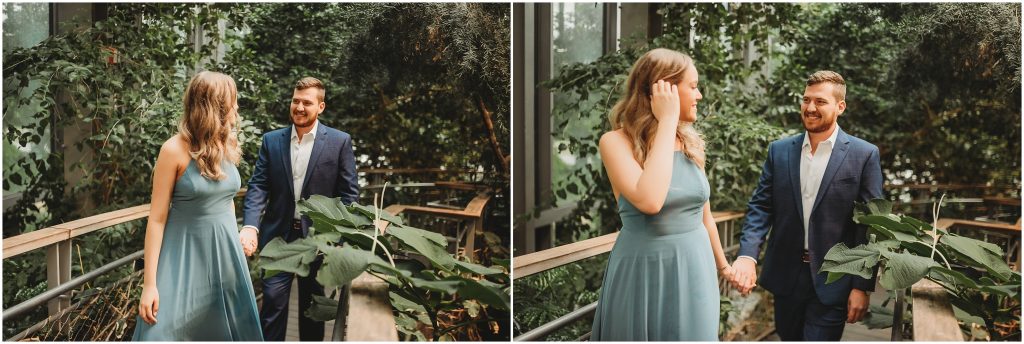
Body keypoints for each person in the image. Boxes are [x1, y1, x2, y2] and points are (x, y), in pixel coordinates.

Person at [590, 48, 734, 341]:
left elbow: (704, 217)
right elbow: (650, 200)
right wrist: (667, 121)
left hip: (696, 271)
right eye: (693, 87)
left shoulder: (691, 143)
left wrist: (724, 267)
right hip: (643, 273)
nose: (700, 96)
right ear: (663, 88)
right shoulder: (615, 142)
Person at [730, 71, 883, 341]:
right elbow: (760, 207)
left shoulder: (864, 154)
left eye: (820, 102)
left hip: (834, 279)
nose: (810, 108)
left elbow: (871, 226)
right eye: (806, 100)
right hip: (785, 277)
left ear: (840, 106)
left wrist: (862, 286)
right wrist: (747, 255)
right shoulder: (779, 151)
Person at [133, 71, 263, 341]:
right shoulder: (173, 150)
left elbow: (225, 200)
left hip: (226, 256)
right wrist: (149, 284)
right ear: (214, 107)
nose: (236, 108)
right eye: (232, 102)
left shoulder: (226, 145)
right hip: (182, 256)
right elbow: (156, 220)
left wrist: (237, 233)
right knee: (161, 333)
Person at [240, 77, 359, 341]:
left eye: (307, 102)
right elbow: (258, 186)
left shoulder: (339, 142)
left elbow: (350, 196)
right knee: (271, 304)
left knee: (312, 312)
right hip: (278, 239)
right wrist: (250, 226)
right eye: (296, 101)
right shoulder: (272, 141)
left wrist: (341, 239)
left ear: (321, 106)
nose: (300, 107)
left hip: (318, 242)